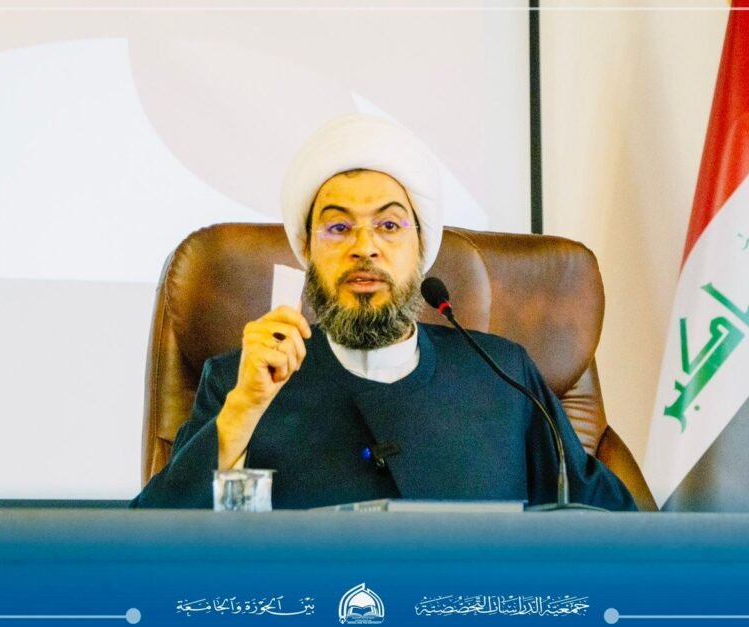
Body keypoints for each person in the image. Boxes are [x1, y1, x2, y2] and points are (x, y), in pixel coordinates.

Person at [133, 114, 636, 510]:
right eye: (338, 228)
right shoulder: (238, 383)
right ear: (307, 252)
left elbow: (613, 530)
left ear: (422, 250)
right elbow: (150, 550)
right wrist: (242, 410)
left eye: (390, 226)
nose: (364, 247)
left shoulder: (504, 377)